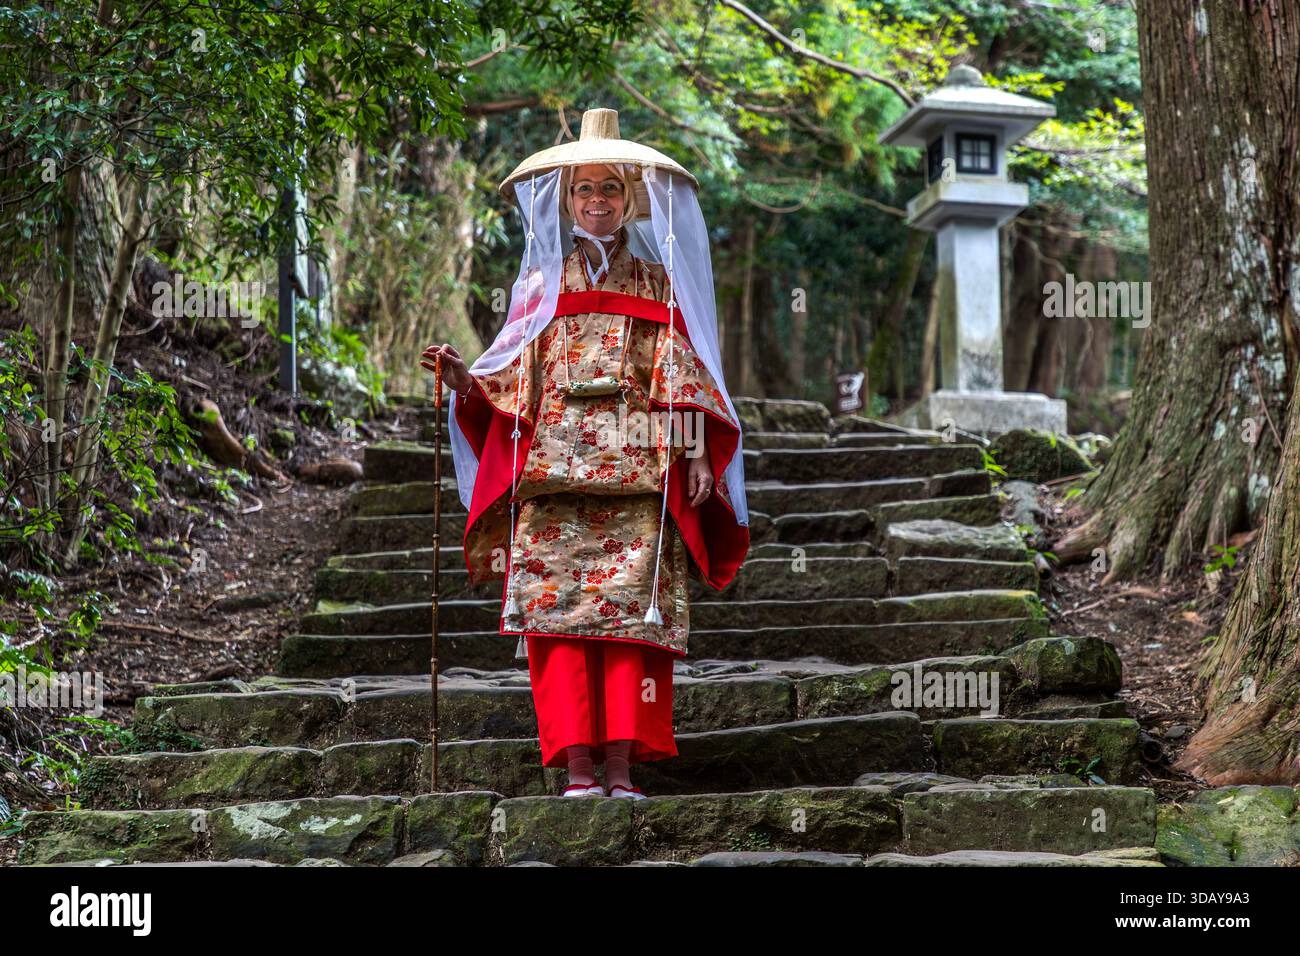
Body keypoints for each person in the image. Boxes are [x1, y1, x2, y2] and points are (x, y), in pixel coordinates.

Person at [422, 108, 748, 799]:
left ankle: (623, 767)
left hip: (639, 478)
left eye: (608, 189)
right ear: (566, 199)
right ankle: (576, 767)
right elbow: (511, 384)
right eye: (582, 190)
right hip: (552, 477)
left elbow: (684, 378)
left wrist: (693, 454)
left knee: (634, 624)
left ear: (630, 199)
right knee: (557, 621)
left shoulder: (659, 286)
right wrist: (463, 382)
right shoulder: (540, 288)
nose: (595, 202)